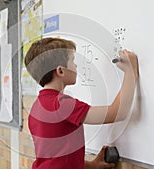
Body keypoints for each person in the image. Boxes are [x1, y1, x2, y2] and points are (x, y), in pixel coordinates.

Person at [24, 37, 139, 169]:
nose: (76, 65)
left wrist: (92, 165)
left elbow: (56, 157)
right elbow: (116, 113)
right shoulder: (61, 104)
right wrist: (130, 72)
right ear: (60, 71)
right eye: (72, 61)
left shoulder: (37, 106)